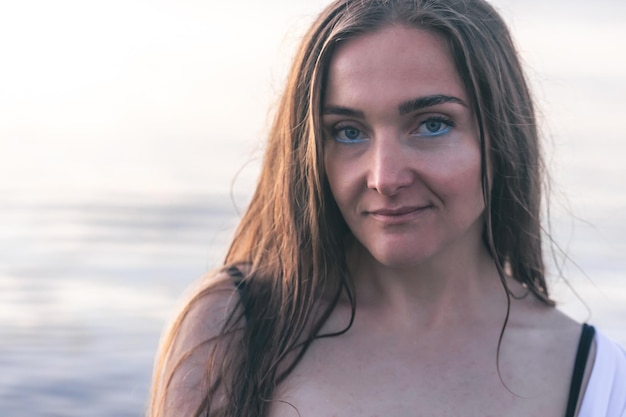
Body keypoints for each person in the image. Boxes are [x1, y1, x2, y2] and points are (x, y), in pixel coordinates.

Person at [148, 0, 626, 416]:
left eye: (432, 124)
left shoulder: (598, 380)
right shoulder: (235, 324)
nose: (385, 177)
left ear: (500, 137)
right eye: (348, 132)